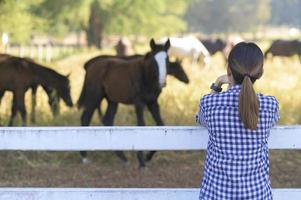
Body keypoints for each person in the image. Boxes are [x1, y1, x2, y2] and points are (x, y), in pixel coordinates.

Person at [196, 42, 279, 200]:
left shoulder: (209, 103)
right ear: (260, 72)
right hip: (257, 194)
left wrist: (217, 85)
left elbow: (200, 119)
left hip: (216, 195)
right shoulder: (270, 105)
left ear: (228, 70)